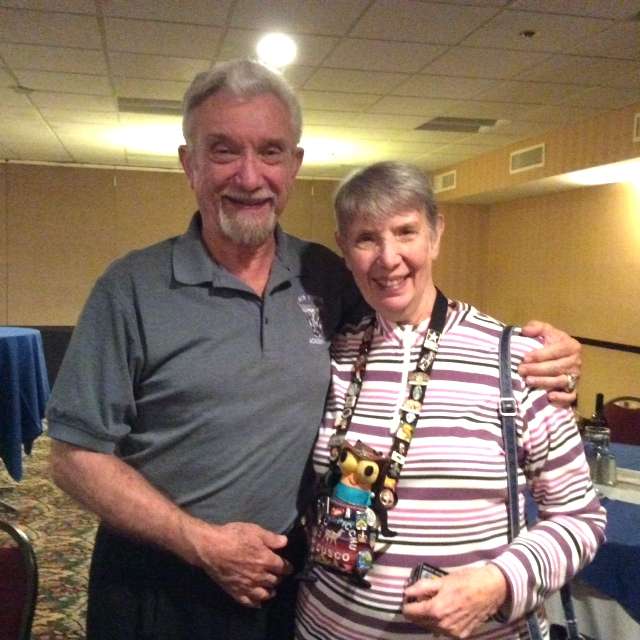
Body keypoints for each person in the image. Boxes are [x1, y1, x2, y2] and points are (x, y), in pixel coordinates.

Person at [46, 60, 583, 640]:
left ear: (294, 164)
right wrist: (200, 543)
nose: (249, 176)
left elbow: (411, 313)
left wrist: (538, 354)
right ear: (189, 162)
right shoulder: (131, 288)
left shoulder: (322, 276)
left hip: (285, 586)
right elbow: (73, 457)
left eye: (270, 152)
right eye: (224, 150)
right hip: (160, 584)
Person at [295, 161, 606, 640]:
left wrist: (499, 584)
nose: (388, 258)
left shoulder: (519, 362)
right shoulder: (332, 353)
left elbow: (580, 518)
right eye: (366, 238)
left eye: (406, 231)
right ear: (344, 249)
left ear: (436, 235)